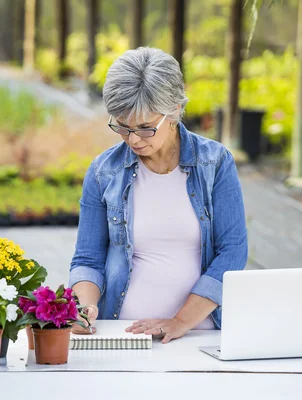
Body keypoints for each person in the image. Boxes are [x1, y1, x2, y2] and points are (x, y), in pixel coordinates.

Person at [69, 47, 248, 344]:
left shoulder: (215, 163)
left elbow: (232, 253)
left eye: (145, 128)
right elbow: (88, 258)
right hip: (121, 335)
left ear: (175, 110)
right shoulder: (104, 171)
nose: (133, 140)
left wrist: (180, 322)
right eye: (122, 127)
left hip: (199, 336)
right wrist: (85, 306)